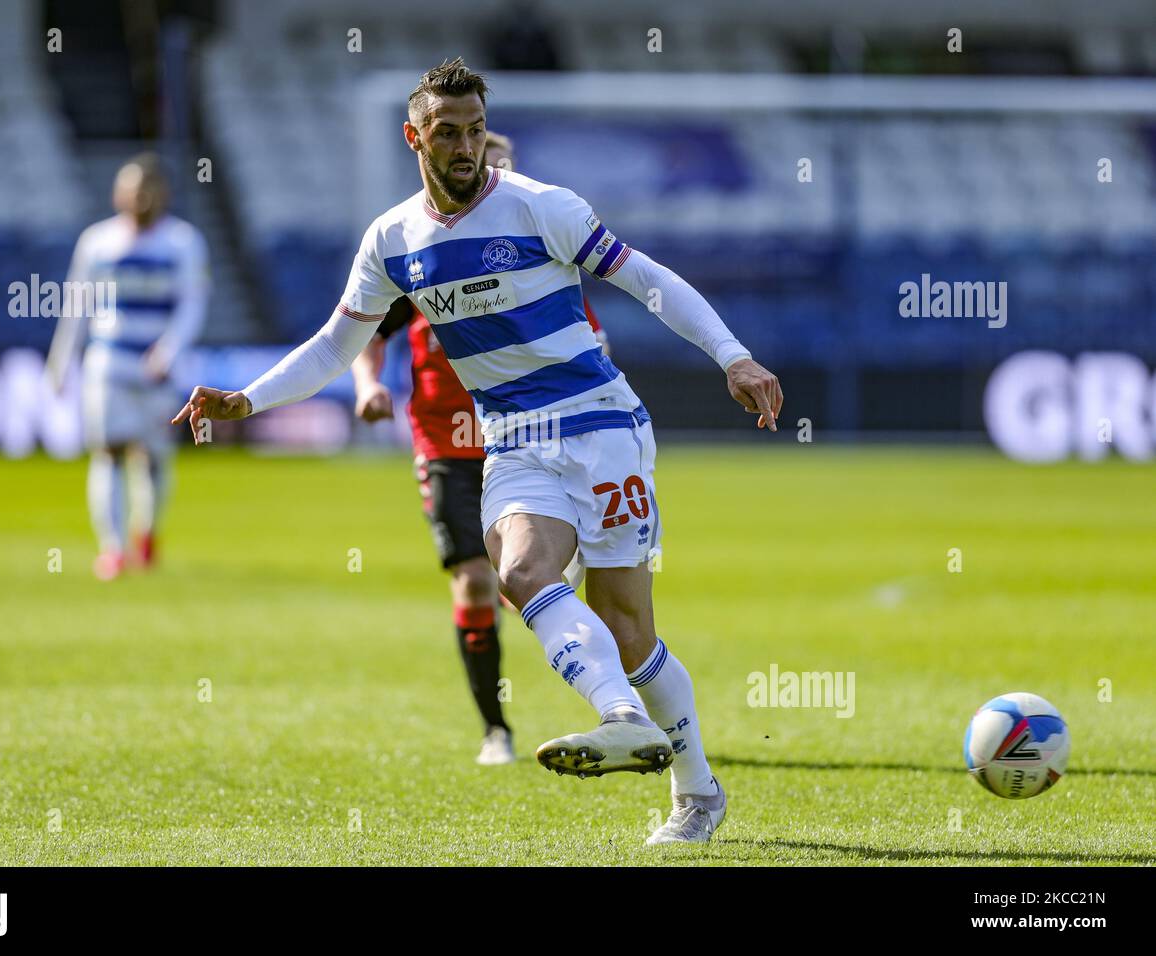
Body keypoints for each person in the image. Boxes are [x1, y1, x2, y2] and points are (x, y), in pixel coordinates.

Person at [172, 60, 781, 844]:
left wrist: (732, 354)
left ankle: (697, 794)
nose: (466, 147)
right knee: (521, 571)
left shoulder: (541, 207)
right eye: (448, 132)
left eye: (474, 131)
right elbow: (334, 345)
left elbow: (649, 281)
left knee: (629, 629)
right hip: (514, 443)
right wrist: (248, 399)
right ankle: (622, 719)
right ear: (414, 136)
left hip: (600, 424)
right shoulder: (392, 240)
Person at [349, 131, 609, 767]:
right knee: (473, 584)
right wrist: (368, 386)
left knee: (524, 579)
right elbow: (362, 332)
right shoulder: (420, 256)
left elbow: (590, 347)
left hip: (528, 440)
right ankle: (497, 728)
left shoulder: (538, 261)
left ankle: (614, 700)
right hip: (451, 446)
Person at [47, 153, 209, 580]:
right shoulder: (97, 241)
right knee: (109, 452)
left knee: (152, 459)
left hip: (158, 371)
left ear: (162, 194)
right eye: (131, 189)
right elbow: (77, 306)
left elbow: (193, 304)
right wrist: (61, 361)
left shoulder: (183, 242)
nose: (138, 198)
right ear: (118, 193)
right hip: (108, 364)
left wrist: (169, 350)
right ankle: (113, 549)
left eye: (146, 190)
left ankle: (148, 533)